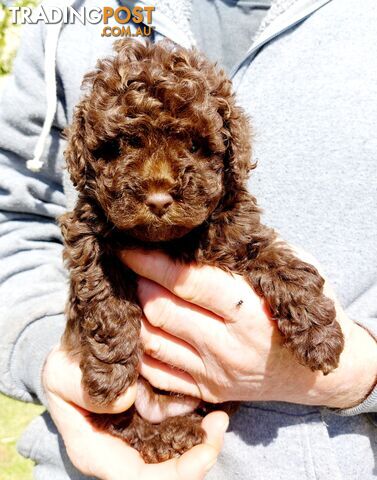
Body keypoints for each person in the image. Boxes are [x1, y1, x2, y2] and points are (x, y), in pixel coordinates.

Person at [0, 0, 376, 479]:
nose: (158, 187)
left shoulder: (231, 216)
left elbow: (262, 254)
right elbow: (14, 215)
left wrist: (359, 372)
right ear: (86, 158)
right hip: (88, 457)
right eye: (125, 146)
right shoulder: (69, 17)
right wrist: (48, 356)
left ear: (231, 157)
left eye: (194, 147)